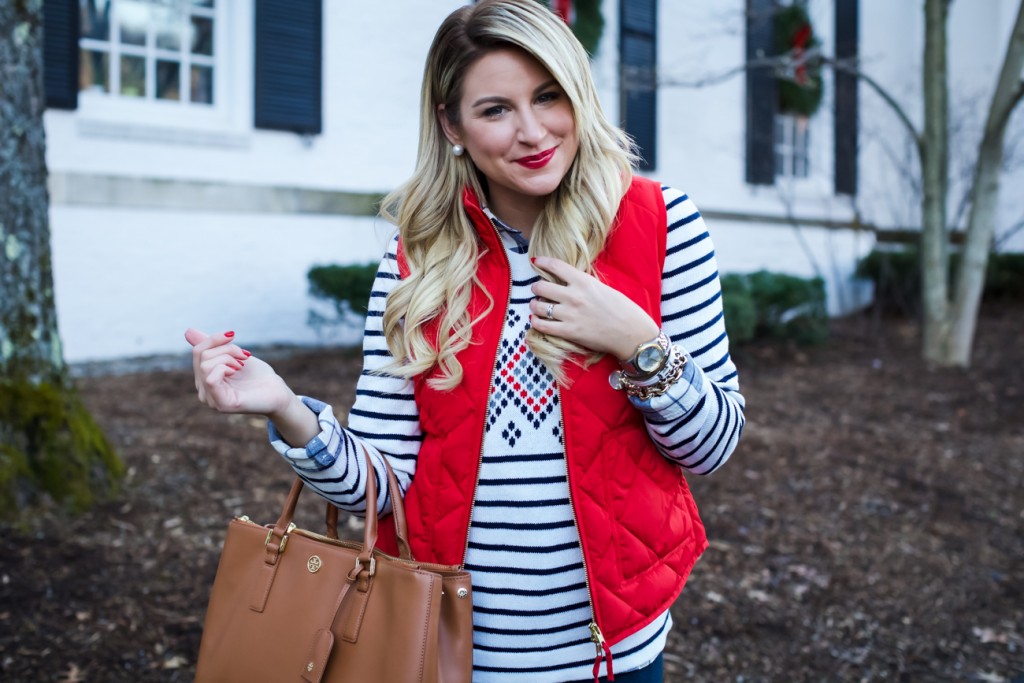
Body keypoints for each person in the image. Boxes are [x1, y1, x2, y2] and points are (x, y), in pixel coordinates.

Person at [185, 1, 745, 681]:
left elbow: (712, 447)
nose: (532, 131)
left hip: (614, 656)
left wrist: (637, 341)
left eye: (548, 96)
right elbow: (381, 485)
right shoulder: (416, 260)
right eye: (496, 110)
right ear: (452, 124)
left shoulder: (662, 227)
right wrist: (286, 410)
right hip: (450, 653)